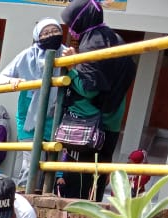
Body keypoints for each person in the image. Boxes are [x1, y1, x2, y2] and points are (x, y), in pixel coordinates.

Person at [56, 0, 137, 201]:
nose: (71, 29)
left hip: (88, 125)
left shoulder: (92, 43)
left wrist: (72, 66)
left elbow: (88, 87)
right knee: (96, 182)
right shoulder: (115, 38)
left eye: (72, 23)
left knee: (77, 187)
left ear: (80, 20)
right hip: (111, 121)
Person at [0, 18, 67, 187]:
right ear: (37, 36)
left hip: (55, 117)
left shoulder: (66, 54)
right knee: (30, 165)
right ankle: (25, 200)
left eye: (54, 31)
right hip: (28, 119)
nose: (51, 35)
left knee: (51, 167)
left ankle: (43, 202)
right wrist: (12, 81)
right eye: (45, 33)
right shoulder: (27, 54)